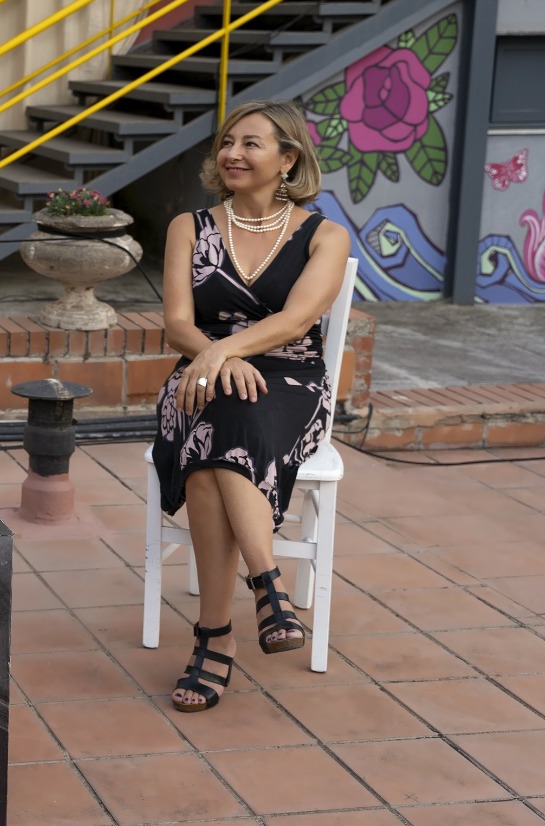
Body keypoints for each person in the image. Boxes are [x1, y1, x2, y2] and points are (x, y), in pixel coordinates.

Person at [151, 100, 351, 713]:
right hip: (199, 377)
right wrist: (214, 359)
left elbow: (297, 319)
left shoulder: (326, 235)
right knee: (221, 415)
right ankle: (268, 585)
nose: (232, 154)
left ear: (288, 159)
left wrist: (222, 353)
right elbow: (178, 325)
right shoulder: (189, 226)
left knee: (216, 448)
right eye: (227, 142)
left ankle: (215, 638)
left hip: (291, 379)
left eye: (251, 144)